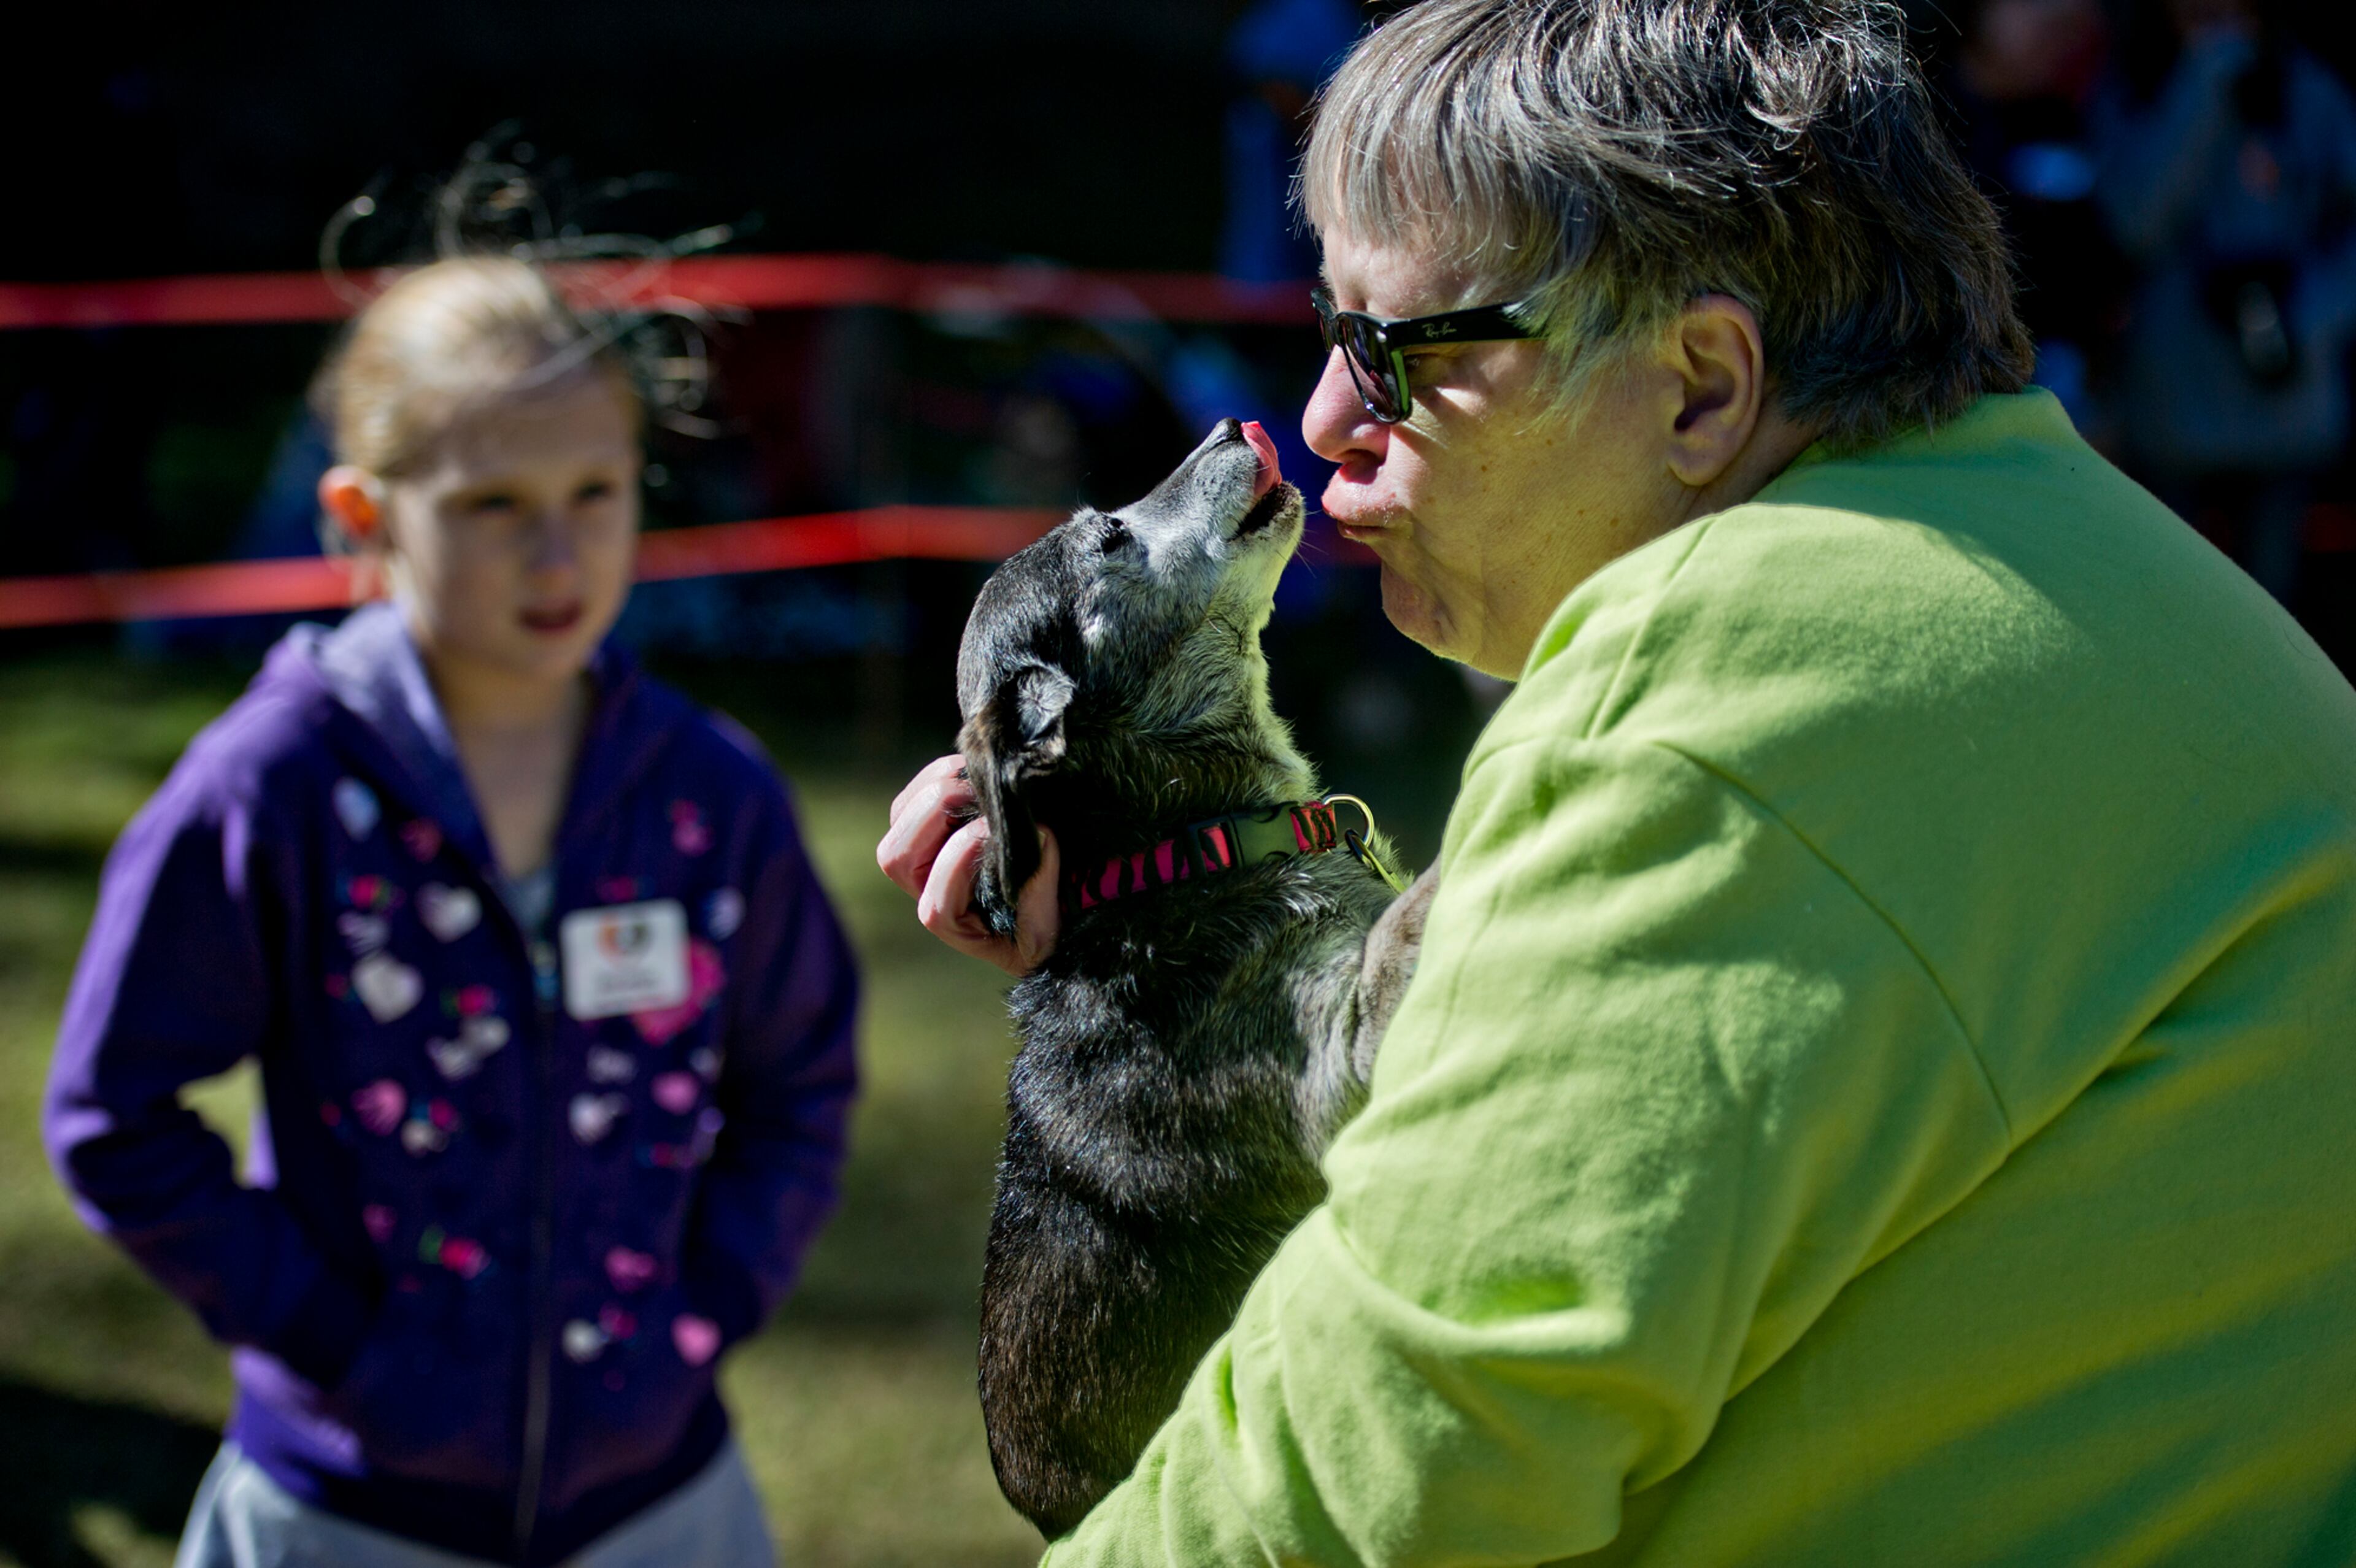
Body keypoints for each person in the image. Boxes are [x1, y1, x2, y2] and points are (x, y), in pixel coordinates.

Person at [880, 0, 2356, 1561]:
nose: (1320, 427)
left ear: (1703, 385)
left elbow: (1386, 1465)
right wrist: (1160, 892)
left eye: (1392, 352)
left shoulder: (1711, 707)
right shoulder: (2094, 562)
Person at [45, 253, 860, 1566]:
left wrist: (701, 1315)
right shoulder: (274, 788)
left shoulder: (710, 798)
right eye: (493, 504)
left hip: (656, 1504)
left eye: (595, 492)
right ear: (363, 515)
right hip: (346, 1511)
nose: (558, 553)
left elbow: (800, 1080)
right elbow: (113, 1117)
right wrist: (339, 1346)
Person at [2092, 0, 2356, 607]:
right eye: (2195, 16)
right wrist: (2205, 83)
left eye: (2230, 15)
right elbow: (2135, 223)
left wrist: (2311, 316)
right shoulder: (2137, 88)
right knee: (2170, 602)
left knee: (2279, 613)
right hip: (2173, 409)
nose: (2217, 32)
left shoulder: (2313, 95)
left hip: (2288, 399)